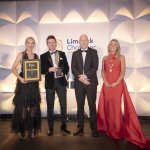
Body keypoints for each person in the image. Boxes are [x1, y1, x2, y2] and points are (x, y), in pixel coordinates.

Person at [97, 39, 150, 149]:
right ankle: (109, 128)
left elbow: (122, 72)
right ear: (109, 46)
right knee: (108, 107)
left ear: (117, 47)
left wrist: (116, 82)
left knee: (115, 107)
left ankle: (117, 130)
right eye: (111, 44)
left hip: (117, 85)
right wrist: (105, 82)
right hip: (107, 86)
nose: (112, 46)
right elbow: (103, 71)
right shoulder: (104, 58)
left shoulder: (121, 58)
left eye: (114, 45)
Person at [11, 37, 41, 139]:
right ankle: (23, 131)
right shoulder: (21, 55)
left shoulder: (36, 56)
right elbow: (13, 68)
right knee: (23, 109)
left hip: (33, 86)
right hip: (23, 85)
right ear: (25, 43)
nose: (30, 45)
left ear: (34, 45)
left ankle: (32, 130)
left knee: (33, 108)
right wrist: (20, 78)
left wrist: (39, 77)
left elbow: (37, 71)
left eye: (32, 43)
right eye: (29, 43)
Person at [40, 35, 71, 136]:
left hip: (61, 82)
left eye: (53, 42)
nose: (52, 44)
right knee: (50, 106)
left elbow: (66, 67)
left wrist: (63, 73)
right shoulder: (43, 56)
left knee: (63, 105)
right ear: (47, 44)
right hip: (50, 83)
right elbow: (41, 70)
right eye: (49, 42)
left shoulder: (61, 54)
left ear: (56, 43)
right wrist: (49, 69)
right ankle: (50, 127)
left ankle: (64, 126)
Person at [71, 34, 99, 137]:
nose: (83, 42)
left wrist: (85, 76)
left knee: (92, 105)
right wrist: (81, 77)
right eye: (81, 40)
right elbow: (73, 68)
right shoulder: (75, 53)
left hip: (91, 83)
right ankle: (80, 127)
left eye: (85, 40)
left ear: (88, 41)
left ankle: (93, 128)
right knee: (80, 106)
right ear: (79, 41)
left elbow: (95, 67)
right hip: (79, 83)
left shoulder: (94, 52)